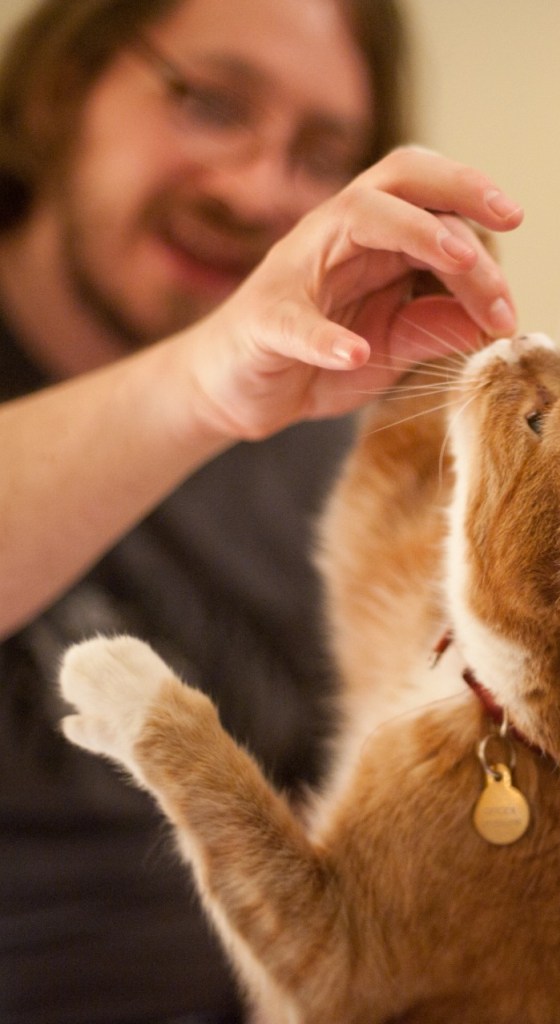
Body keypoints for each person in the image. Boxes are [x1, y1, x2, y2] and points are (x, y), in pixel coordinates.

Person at [0, 0, 523, 1020]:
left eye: (321, 151)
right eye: (211, 103)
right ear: (69, 85)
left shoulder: (330, 421)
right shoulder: (234, 374)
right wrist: (195, 388)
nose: (257, 193)